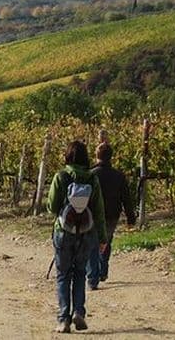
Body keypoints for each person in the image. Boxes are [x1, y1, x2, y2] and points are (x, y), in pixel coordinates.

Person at [47, 141, 107, 334]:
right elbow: (98, 211)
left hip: (64, 232)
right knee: (80, 272)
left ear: (67, 156)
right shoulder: (92, 179)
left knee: (63, 275)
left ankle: (63, 319)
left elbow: (52, 207)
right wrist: (103, 238)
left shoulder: (61, 176)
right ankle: (79, 312)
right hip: (86, 232)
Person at [87, 142, 136, 289]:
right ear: (111, 157)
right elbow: (126, 198)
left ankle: (92, 277)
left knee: (92, 245)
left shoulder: (90, 175)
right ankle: (103, 270)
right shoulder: (119, 176)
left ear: (96, 156)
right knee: (106, 241)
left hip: (93, 214)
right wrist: (130, 218)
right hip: (112, 215)